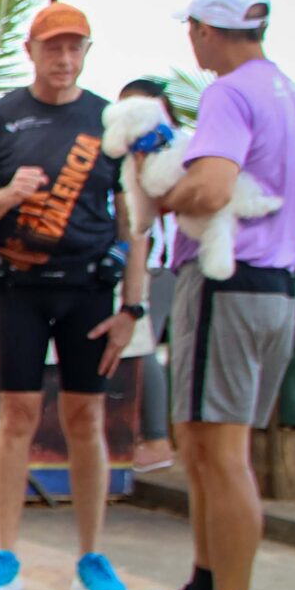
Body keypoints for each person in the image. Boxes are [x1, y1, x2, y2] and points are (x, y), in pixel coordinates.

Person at [124, 0, 295, 590]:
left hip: (230, 285)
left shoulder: (229, 93)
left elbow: (209, 187)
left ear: (207, 30)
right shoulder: (291, 94)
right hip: (275, 288)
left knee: (221, 452)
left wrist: (160, 195)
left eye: (193, 30)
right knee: (207, 448)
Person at [0, 2, 147, 590]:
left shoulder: (108, 121)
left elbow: (135, 223)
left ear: (87, 52)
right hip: (19, 288)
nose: (64, 59)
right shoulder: (1, 119)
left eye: (75, 47)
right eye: (53, 47)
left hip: (90, 290)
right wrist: (7, 197)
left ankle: (92, 558)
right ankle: (4, 554)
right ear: (31, 51)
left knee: (84, 418)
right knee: (15, 413)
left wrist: (133, 309)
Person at [118, 77, 182, 473]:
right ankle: (141, 435)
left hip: (158, 264)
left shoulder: (171, 149)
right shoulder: (126, 150)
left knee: (145, 346)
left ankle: (158, 440)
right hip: (135, 262)